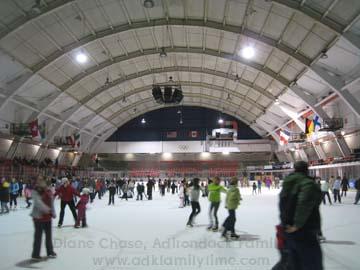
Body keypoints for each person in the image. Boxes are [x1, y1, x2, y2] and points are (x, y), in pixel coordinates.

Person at [278, 161, 323, 270]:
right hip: (303, 230)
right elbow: (304, 203)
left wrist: (285, 223)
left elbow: (282, 203)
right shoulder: (307, 183)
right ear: (306, 169)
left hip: (287, 229)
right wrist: (297, 225)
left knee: (292, 264)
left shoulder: (288, 182)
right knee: (313, 264)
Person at [30, 176, 57, 260]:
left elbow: (51, 202)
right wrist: (48, 210)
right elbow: (38, 203)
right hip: (38, 218)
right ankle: (35, 254)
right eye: (39, 180)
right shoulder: (35, 191)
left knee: (49, 236)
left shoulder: (49, 190)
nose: (40, 182)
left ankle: (50, 252)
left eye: (42, 180)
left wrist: (53, 212)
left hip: (48, 218)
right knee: (38, 236)